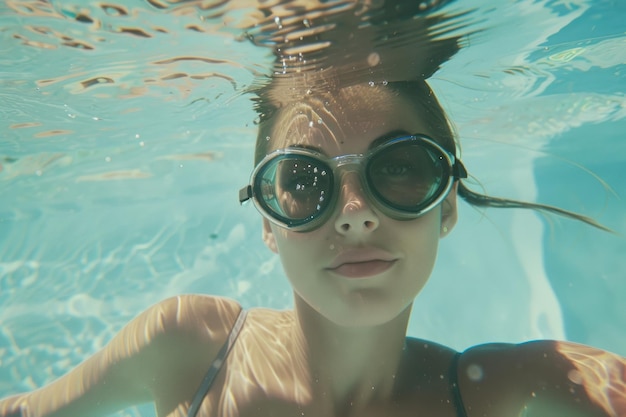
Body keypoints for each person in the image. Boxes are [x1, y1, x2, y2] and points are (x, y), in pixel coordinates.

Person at [1, 2, 624, 417]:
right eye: (303, 181)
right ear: (269, 221)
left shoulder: (518, 385)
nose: (354, 215)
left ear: (448, 203)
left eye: (401, 170)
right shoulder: (193, 349)